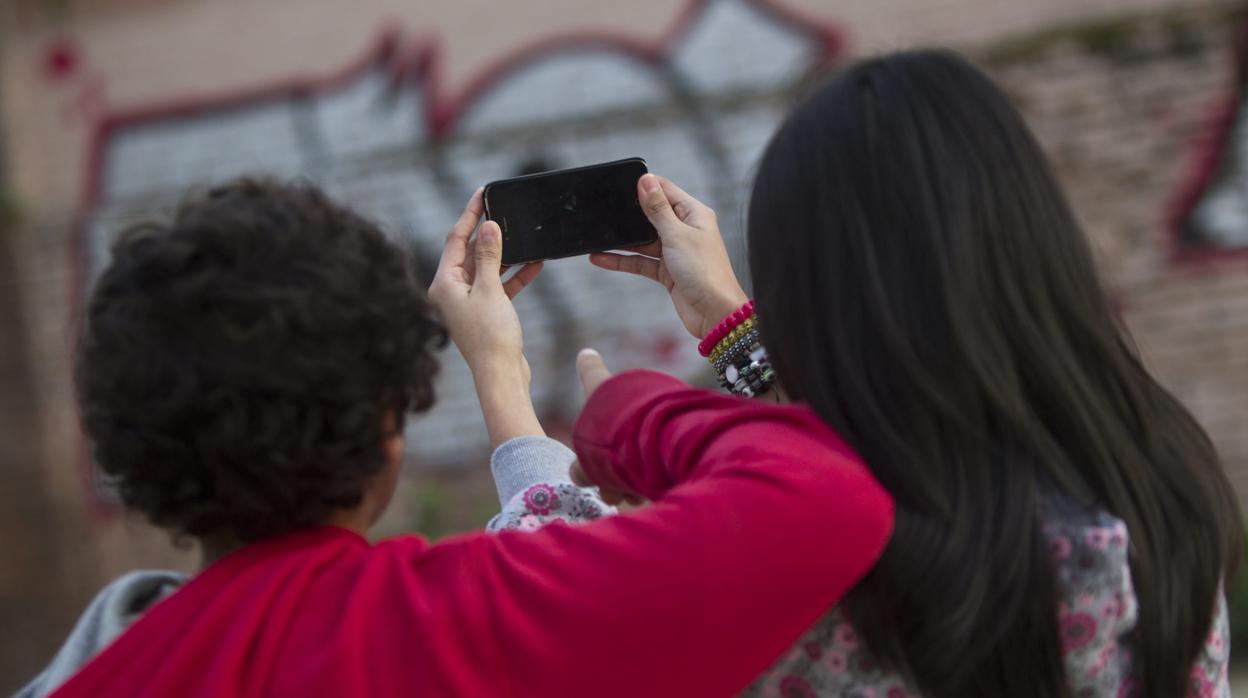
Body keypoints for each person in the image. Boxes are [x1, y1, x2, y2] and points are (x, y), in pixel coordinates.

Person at [514, 50, 1241, 697]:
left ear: (820, 305)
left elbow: (558, 642)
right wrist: (737, 332)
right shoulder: (1161, 483)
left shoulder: (830, 573)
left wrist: (505, 391)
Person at [19, 179, 893, 697]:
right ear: (388, 423)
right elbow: (828, 495)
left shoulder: (92, 676)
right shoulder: (464, 624)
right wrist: (625, 410)